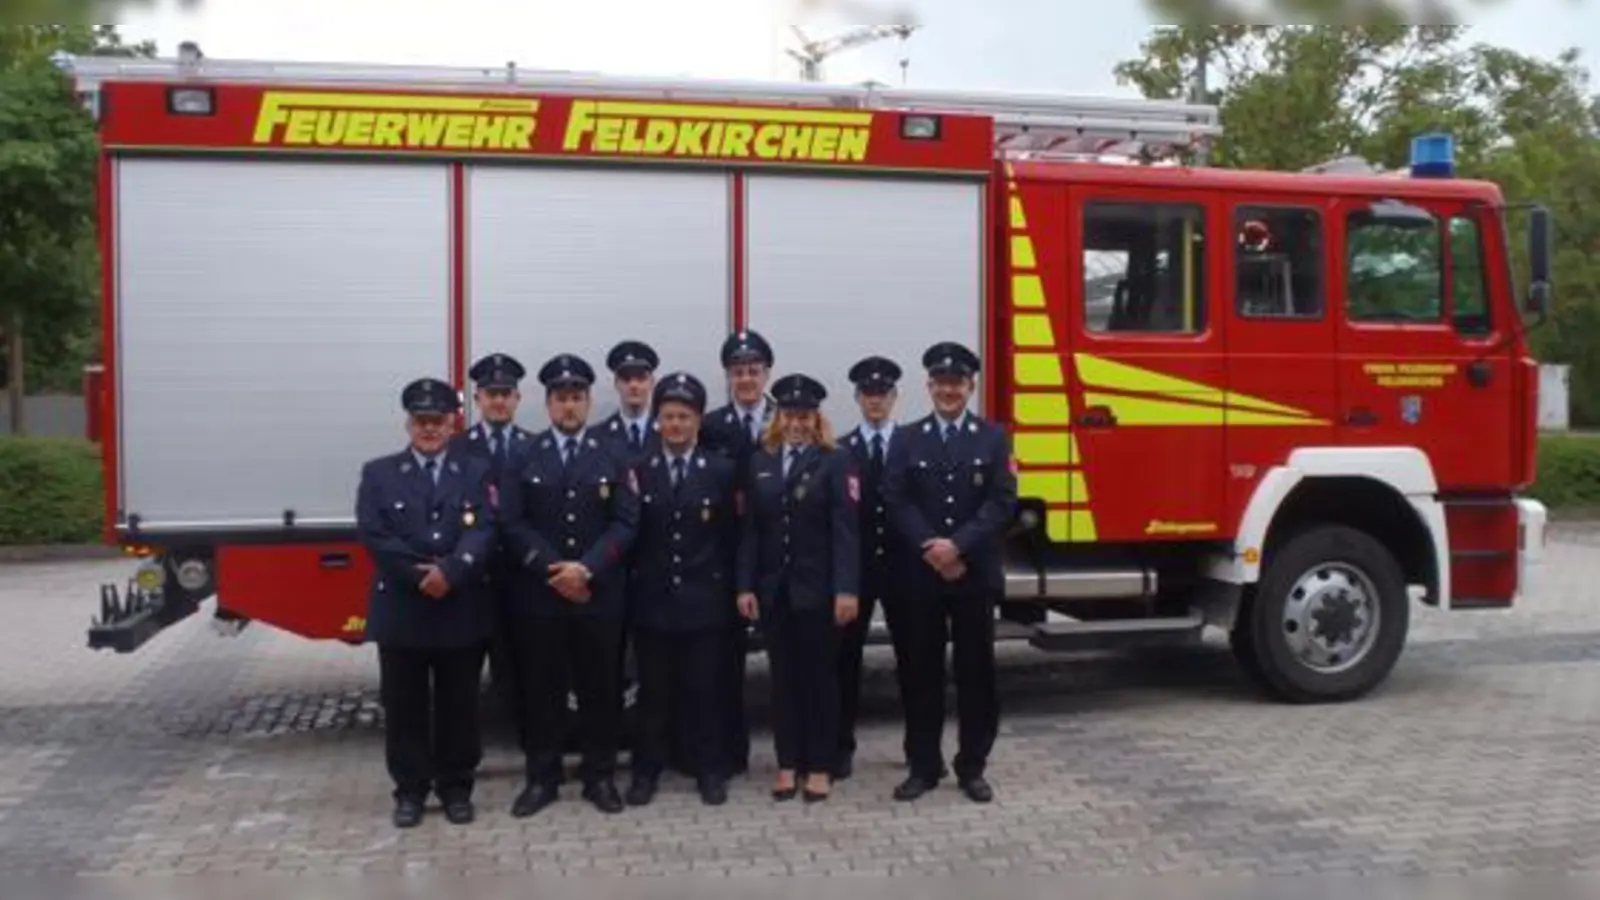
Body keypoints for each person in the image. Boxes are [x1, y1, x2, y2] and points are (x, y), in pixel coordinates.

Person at [500, 353, 640, 816]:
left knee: (601, 688)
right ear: (547, 404)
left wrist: (588, 569)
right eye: (561, 398)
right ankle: (542, 778)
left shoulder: (615, 452)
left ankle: (600, 777)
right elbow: (513, 523)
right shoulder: (523, 454)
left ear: (588, 400)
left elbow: (625, 521)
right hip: (541, 597)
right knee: (542, 688)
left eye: (577, 397)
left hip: (599, 596)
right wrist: (554, 570)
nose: (569, 407)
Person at [354, 377, 497, 828]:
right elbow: (375, 535)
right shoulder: (378, 474)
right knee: (405, 707)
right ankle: (410, 791)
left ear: (453, 424)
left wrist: (451, 571)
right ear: (408, 425)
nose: (430, 429)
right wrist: (421, 575)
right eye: (422, 421)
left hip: (460, 605)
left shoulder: (475, 471)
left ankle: (456, 787)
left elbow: (485, 529)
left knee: (460, 705)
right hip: (404, 608)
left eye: (438, 421)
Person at [881, 341, 1018, 804]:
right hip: (920, 577)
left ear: (970, 386)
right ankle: (923, 766)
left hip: (973, 575)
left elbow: (1002, 502)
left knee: (976, 674)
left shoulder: (993, 438)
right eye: (940, 383)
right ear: (928, 386)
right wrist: (932, 547)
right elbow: (895, 498)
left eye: (956, 383)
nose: (948, 390)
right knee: (920, 674)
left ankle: (972, 767)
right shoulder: (905, 438)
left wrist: (958, 546)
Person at [736, 373, 861, 803]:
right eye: (790, 414)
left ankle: (821, 765)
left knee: (820, 680)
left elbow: (846, 531)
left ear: (815, 418)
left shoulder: (835, 461)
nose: (796, 423)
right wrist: (744, 585)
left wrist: (847, 589)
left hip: (819, 591)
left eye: (805, 415)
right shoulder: (762, 460)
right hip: (775, 592)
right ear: (779, 418)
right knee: (783, 681)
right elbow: (752, 530)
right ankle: (787, 764)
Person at [623, 371, 740, 808]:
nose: (675, 425)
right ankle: (646, 772)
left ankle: (710, 769)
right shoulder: (638, 471)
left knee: (705, 690)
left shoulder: (722, 472)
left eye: (684, 417)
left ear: (698, 420)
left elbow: (732, 538)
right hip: (652, 602)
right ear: (657, 420)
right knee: (653, 694)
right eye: (668, 416)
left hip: (704, 602)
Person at [449, 352, 536, 755]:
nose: (498, 401)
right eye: (490, 394)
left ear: (518, 398)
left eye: (506, 393)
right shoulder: (457, 449)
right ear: (477, 399)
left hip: (519, 578)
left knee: (522, 668)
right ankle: (463, 753)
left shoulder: (533, 447)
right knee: (462, 673)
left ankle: (528, 745)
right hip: (473, 580)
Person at [699, 328, 776, 777]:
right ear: (727, 375)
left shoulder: (790, 420)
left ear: (767, 373)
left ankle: (802, 752)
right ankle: (729, 753)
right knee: (724, 665)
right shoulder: (712, 426)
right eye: (738, 371)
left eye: (754, 370)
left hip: (780, 555)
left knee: (790, 662)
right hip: (726, 559)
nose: (746, 378)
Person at [833, 355, 914, 780]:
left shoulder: (911, 445)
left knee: (913, 661)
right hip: (857, 572)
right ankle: (841, 747)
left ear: (895, 397)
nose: (876, 401)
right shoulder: (841, 450)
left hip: (904, 572)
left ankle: (917, 747)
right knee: (845, 662)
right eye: (868, 394)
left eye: (883, 394)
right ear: (858, 398)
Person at [597, 339, 662, 464]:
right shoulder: (598, 436)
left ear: (652, 382)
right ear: (616, 383)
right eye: (626, 378)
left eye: (641, 378)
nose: (633, 385)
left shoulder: (667, 433)